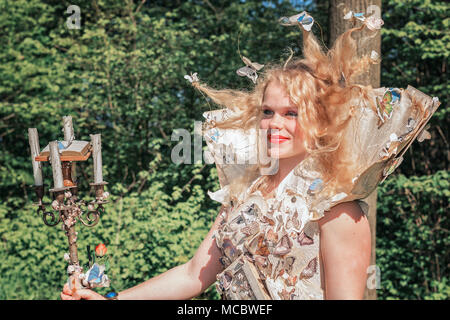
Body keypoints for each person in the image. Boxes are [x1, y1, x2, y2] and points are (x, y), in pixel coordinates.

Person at [61, 11, 439, 300]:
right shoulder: (244, 193)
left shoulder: (338, 208)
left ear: (322, 121)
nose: (275, 123)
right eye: (268, 112)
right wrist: (112, 298)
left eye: (292, 113)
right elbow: (194, 273)